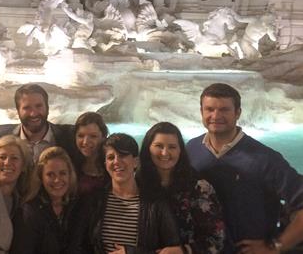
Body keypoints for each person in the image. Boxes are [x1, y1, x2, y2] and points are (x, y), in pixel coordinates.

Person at [187, 83, 303, 253]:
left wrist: (276, 247)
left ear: (238, 113)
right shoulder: (191, 149)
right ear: (201, 112)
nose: (215, 115)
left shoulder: (265, 159)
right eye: (209, 109)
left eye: (224, 109)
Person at [72, 133, 181, 254]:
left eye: (123, 155)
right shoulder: (93, 201)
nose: (116, 161)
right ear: (105, 165)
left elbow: (174, 249)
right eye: (110, 157)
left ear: (136, 162)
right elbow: (77, 246)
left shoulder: (156, 203)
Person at [138, 121, 225, 253]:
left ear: (180, 151)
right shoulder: (136, 184)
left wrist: (184, 251)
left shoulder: (199, 188)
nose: (165, 153)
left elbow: (216, 239)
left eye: (172, 147)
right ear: (148, 148)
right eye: (159, 146)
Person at [10, 146, 80, 254]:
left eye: (62, 173)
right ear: (40, 178)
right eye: (50, 174)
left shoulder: (77, 205)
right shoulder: (28, 212)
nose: (57, 180)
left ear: (70, 175)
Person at [0, 83, 75, 163]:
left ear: (47, 108)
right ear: (18, 111)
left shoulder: (68, 136)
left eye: (38, 106)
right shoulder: (1, 135)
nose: (33, 113)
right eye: (27, 108)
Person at [71, 112, 108, 196]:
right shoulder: (70, 164)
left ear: (103, 137)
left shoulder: (112, 165)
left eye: (93, 136)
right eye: (81, 136)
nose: (85, 142)